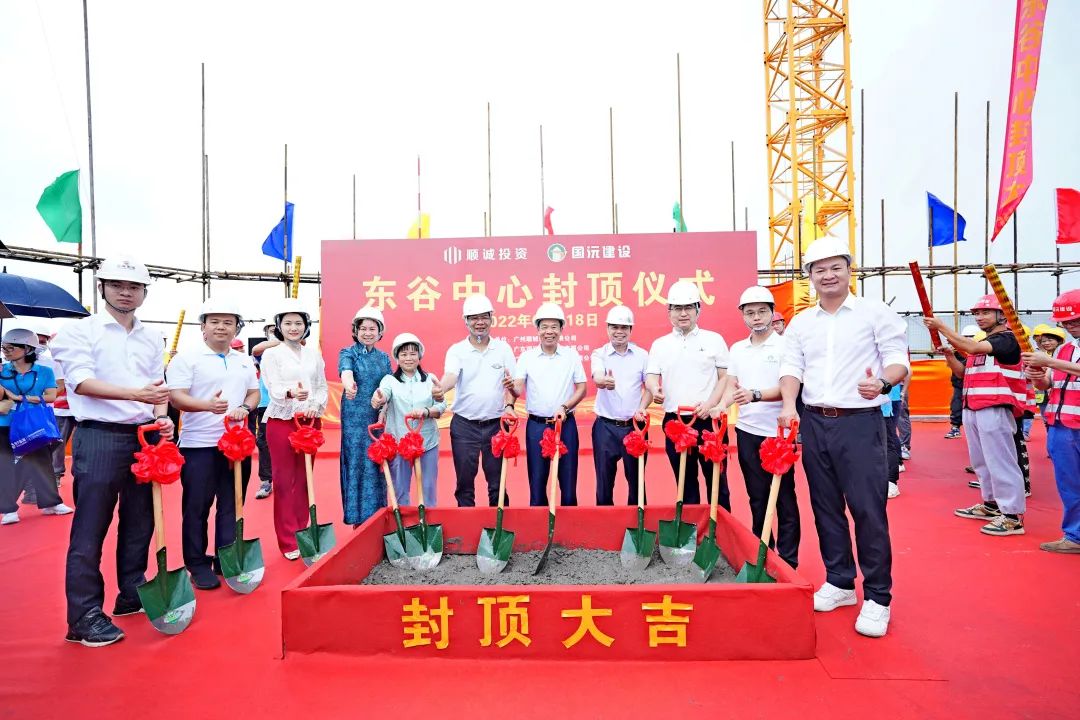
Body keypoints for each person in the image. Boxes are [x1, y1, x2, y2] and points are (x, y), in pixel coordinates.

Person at [779, 237, 909, 639]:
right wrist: (789, 406)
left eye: (835, 267)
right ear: (810, 276)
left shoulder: (874, 312)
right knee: (825, 507)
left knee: (868, 509)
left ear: (849, 270)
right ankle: (839, 580)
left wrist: (883, 383)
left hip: (860, 422)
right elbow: (791, 367)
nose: (828, 275)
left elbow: (898, 360)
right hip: (815, 422)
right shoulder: (802, 322)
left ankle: (878, 596)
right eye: (819, 269)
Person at [51, 256, 174, 647]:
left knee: (140, 521)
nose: (126, 292)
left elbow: (158, 386)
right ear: (101, 287)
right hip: (99, 436)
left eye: (134, 287)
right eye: (117, 285)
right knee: (91, 526)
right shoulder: (79, 332)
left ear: (144, 293)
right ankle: (83, 616)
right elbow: (81, 382)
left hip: (144, 437)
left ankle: (132, 591)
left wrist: (161, 418)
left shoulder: (151, 337)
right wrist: (137, 395)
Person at [166, 299, 259, 589]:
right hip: (199, 445)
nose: (221, 327)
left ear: (236, 328)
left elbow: (254, 392)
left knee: (232, 504)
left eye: (228, 322)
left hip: (237, 444)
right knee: (197, 506)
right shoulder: (187, 358)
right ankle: (196, 563)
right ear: (203, 326)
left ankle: (226, 557)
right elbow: (176, 397)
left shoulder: (244, 360)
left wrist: (244, 407)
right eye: (214, 321)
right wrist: (206, 405)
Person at [924, 295, 1032, 536]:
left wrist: (941, 326)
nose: (979, 317)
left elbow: (971, 347)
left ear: (1002, 315)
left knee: (1001, 460)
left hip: (997, 406)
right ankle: (991, 504)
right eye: (977, 313)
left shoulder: (1008, 339)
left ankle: (1012, 516)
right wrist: (949, 355)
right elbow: (962, 373)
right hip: (974, 406)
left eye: (985, 312)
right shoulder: (984, 343)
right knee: (981, 461)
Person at [717, 286, 799, 569]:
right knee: (757, 496)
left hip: (779, 434)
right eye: (750, 312)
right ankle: (763, 551)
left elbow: (788, 386)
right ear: (742, 315)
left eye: (762, 311)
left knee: (785, 498)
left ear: (772, 312)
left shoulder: (785, 346)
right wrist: (721, 406)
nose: (756, 317)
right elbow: (732, 386)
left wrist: (755, 394)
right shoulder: (737, 349)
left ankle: (788, 560)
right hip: (747, 431)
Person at [645, 280, 730, 507]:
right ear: (669, 312)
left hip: (709, 420)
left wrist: (710, 404)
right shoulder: (660, 344)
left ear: (698, 309)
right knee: (685, 483)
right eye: (677, 308)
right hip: (675, 422)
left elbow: (725, 378)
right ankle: (691, 528)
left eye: (689, 307)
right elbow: (651, 377)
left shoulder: (714, 340)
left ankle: (720, 527)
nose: (683, 313)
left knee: (717, 482)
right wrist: (654, 389)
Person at [260, 298, 328, 559]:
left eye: (298, 323)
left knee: (304, 478)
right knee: (284, 480)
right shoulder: (272, 354)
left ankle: (303, 530)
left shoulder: (314, 355)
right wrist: (290, 393)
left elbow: (321, 386)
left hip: (310, 420)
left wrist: (315, 405)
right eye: (287, 323)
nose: (293, 328)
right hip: (282, 421)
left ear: (306, 326)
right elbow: (273, 386)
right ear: (279, 326)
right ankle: (288, 540)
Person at [434, 295, 517, 507]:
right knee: (464, 483)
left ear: (491, 319)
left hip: (496, 425)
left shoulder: (503, 349)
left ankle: (500, 524)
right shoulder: (457, 350)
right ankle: (466, 525)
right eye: (474, 318)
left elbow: (514, 386)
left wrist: (510, 402)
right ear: (466, 321)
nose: (479, 322)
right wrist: (440, 388)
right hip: (464, 426)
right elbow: (451, 376)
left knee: (497, 483)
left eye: (484, 317)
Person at [1023, 290, 1080, 554]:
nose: (1070, 326)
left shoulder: (1056, 355)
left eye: (1075, 320)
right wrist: (1037, 375)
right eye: (1066, 322)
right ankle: (1075, 536)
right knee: (1069, 485)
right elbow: (1048, 384)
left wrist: (1048, 361)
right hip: (1061, 425)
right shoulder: (1065, 349)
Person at [513, 303, 586, 506]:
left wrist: (565, 407)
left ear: (561, 329)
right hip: (537, 426)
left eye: (554, 327)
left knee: (568, 483)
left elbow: (582, 388)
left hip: (566, 425)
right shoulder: (527, 357)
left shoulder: (571, 356)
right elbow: (517, 388)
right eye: (544, 327)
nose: (549, 332)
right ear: (537, 329)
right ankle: (539, 526)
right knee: (537, 483)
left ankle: (569, 525)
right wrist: (511, 389)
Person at [0, 328, 72, 524]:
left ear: (27, 349)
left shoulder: (44, 371)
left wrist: (21, 397)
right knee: (5, 466)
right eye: (4, 347)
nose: (6, 351)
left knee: (42, 462)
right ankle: (8, 509)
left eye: (10, 347)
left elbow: (51, 395)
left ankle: (51, 503)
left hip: (34, 423)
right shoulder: (2, 370)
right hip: (5, 422)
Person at [371, 333, 445, 505]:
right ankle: (403, 521)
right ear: (397, 358)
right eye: (404, 354)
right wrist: (378, 399)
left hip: (427, 442)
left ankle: (427, 519)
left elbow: (441, 406)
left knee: (428, 488)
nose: (409, 358)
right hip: (399, 441)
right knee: (400, 489)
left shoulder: (430, 379)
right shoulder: (389, 380)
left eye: (413, 353)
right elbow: (383, 394)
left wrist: (426, 411)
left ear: (420, 356)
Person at [590, 305, 651, 505]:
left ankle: (638, 520)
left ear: (631, 330)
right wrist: (603, 381)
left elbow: (649, 387)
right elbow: (597, 376)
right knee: (604, 482)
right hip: (605, 427)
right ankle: (604, 521)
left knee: (636, 481)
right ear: (607, 328)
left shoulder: (642, 356)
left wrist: (642, 407)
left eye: (624, 327)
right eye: (614, 327)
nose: (619, 332)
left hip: (634, 427)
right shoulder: (599, 354)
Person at [338, 306, 392, 526]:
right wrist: (349, 385)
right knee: (357, 462)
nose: (368, 333)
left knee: (376, 462)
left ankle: (378, 517)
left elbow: (388, 386)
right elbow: (346, 372)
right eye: (363, 328)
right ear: (356, 330)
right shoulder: (348, 353)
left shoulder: (384, 358)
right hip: (354, 418)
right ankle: (358, 519)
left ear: (380, 332)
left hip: (376, 417)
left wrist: (384, 409)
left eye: (372, 329)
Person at [252, 322, 277, 499]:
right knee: (264, 442)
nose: (274, 333)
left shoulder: (291, 350)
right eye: (271, 331)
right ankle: (266, 480)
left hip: (288, 403)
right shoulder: (265, 352)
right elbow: (256, 350)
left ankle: (286, 479)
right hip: (266, 403)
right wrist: (279, 340)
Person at [944, 325, 979, 439]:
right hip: (960, 384)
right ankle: (955, 428)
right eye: (966, 336)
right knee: (956, 405)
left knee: (978, 407)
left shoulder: (981, 351)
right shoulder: (956, 351)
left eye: (971, 336)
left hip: (977, 385)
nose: (968, 339)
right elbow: (950, 365)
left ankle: (978, 429)